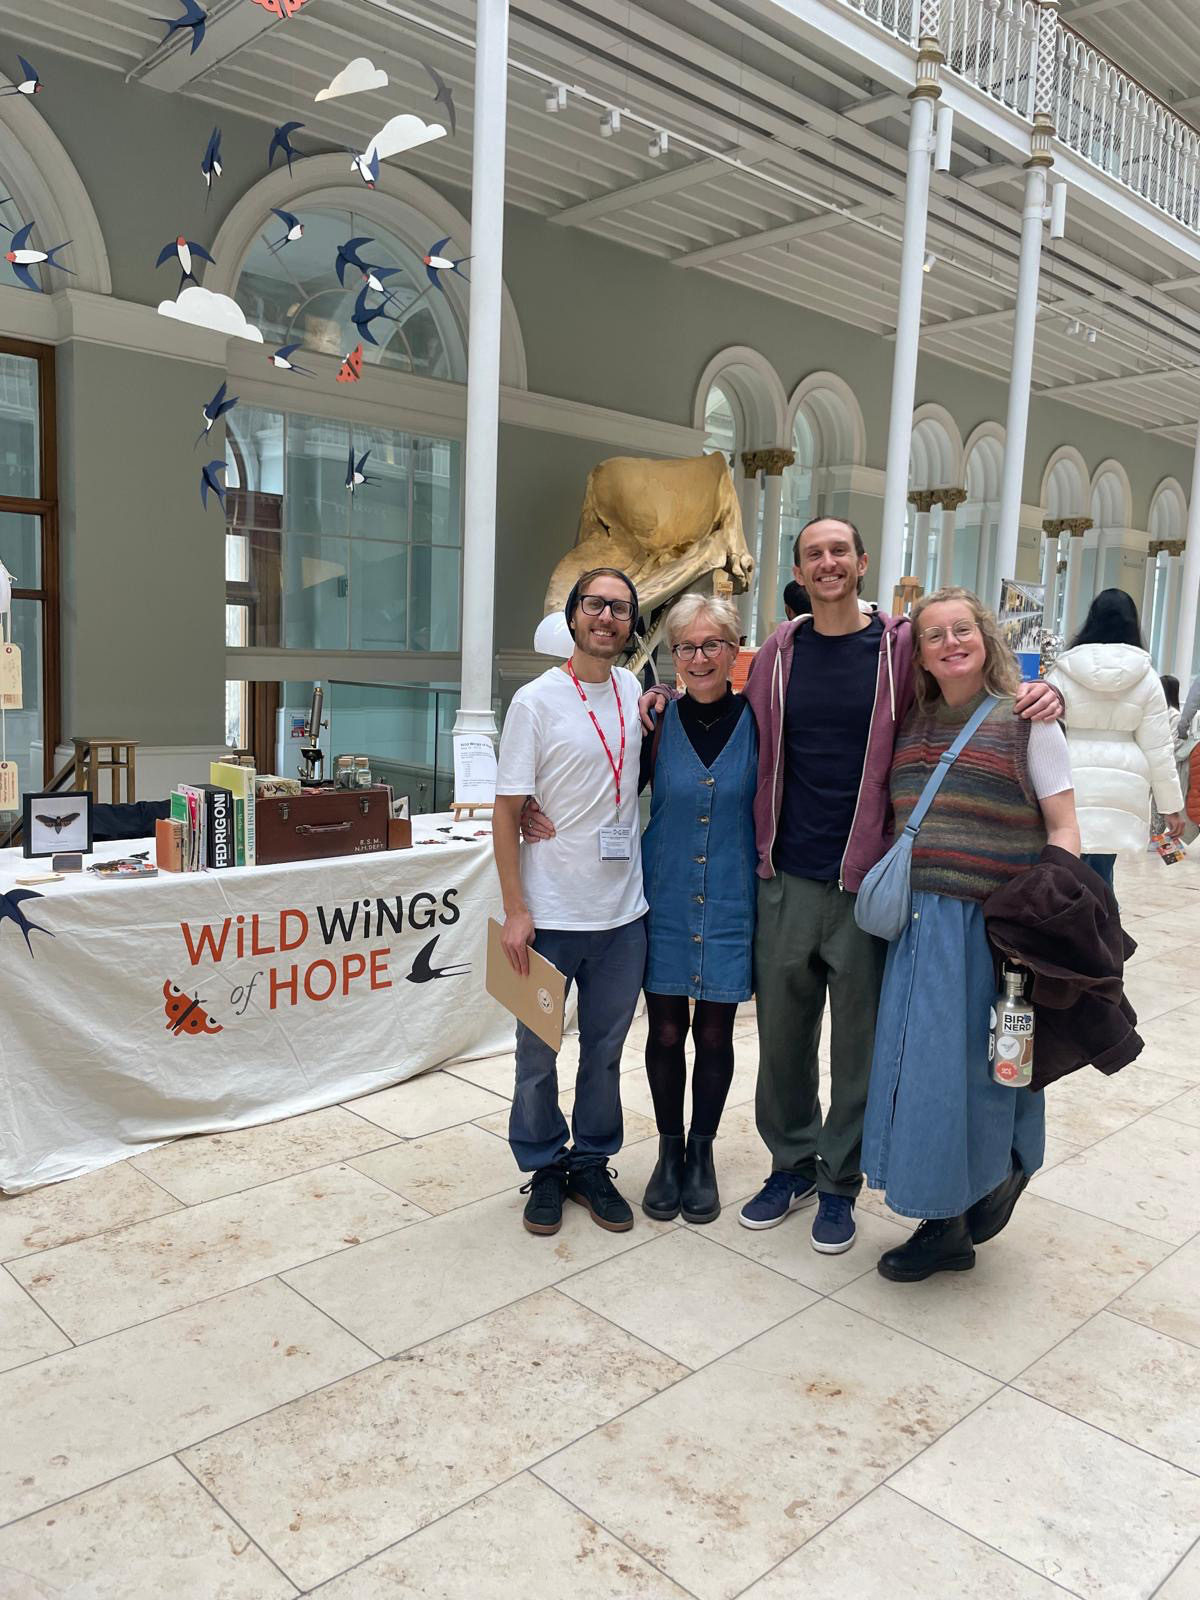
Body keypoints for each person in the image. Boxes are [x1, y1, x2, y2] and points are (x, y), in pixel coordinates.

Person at [642, 518, 1061, 1256]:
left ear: (862, 562)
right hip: (785, 875)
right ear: (800, 571)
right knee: (783, 1041)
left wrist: (1042, 693)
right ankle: (791, 1165)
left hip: (870, 883)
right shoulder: (780, 650)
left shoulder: (901, 646)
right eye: (814, 554)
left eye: (841, 550)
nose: (828, 563)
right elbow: (725, 707)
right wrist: (662, 698)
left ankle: (840, 1181)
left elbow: (963, 682)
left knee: (860, 1045)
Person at [861, 587, 1080, 1281]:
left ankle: (1000, 1173)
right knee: (926, 1078)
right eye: (935, 635)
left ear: (985, 638)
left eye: (963, 630)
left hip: (994, 934)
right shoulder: (914, 722)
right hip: (920, 930)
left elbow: (1065, 828)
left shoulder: (1029, 720)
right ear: (918, 653)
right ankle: (946, 1216)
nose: (951, 642)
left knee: (998, 1067)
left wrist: (1045, 918)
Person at [493, 568, 648, 1238]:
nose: (606, 616)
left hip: (623, 915)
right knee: (537, 1054)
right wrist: (515, 909)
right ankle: (543, 1164)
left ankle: (591, 1162)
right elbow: (505, 815)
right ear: (574, 616)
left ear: (629, 622)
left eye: (618, 607)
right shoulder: (535, 701)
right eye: (595, 605)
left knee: (607, 1052)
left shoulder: (635, 689)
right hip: (549, 915)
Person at [638, 594, 758, 1224]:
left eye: (712, 644)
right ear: (673, 657)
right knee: (664, 1029)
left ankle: (702, 1152)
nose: (700, 657)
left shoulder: (762, 720)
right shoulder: (655, 724)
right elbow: (603, 785)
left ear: (734, 650)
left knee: (714, 1032)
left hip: (735, 894)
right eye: (686, 646)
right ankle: (666, 1150)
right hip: (666, 894)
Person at [1045, 589, 1184, 890]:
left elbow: (1042, 733)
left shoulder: (1063, 671)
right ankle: (1102, 930)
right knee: (1101, 876)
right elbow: (1158, 749)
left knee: (1066, 867)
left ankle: (1072, 930)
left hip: (1068, 779)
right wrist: (1170, 805)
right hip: (1123, 784)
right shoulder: (1147, 677)